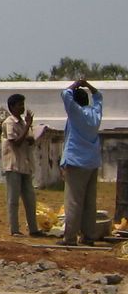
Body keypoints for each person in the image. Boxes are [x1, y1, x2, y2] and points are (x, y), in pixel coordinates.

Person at [60, 79, 103, 246]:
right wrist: (88, 85)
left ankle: (70, 237)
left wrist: (76, 84)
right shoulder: (95, 114)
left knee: (74, 201)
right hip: (92, 161)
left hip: (76, 161)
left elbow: (65, 94)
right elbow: (99, 97)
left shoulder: (76, 113)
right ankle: (89, 236)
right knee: (89, 202)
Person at [1, 93, 42, 237]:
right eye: (19, 105)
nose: (22, 108)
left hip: (24, 164)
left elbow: (27, 139)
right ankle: (14, 229)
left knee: (30, 199)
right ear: (12, 107)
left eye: (23, 104)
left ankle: (33, 228)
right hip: (13, 165)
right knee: (13, 199)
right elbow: (16, 142)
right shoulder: (9, 122)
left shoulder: (23, 123)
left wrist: (30, 134)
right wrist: (28, 126)